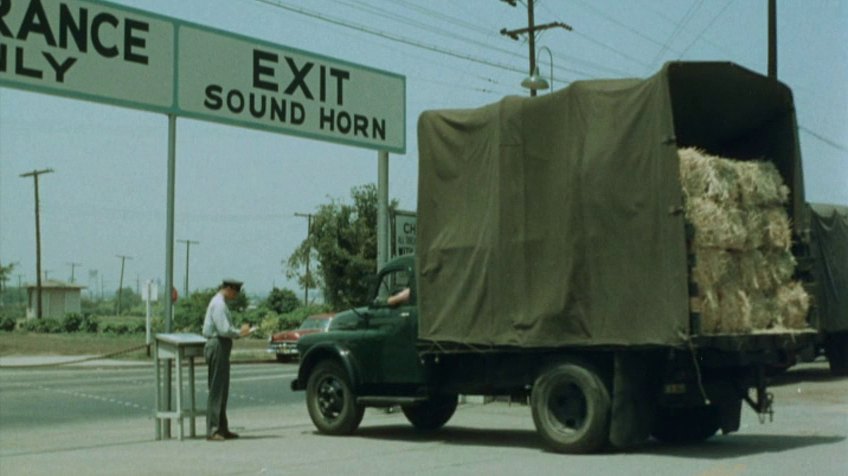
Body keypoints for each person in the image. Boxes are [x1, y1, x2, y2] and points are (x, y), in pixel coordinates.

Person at [202, 278, 252, 441]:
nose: (236, 295)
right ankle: (213, 429)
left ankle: (222, 428)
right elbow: (224, 330)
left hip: (222, 346)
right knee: (216, 389)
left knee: (222, 389)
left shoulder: (221, 303)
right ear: (229, 289)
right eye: (235, 292)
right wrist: (240, 332)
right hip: (217, 344)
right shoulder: (219, 305)